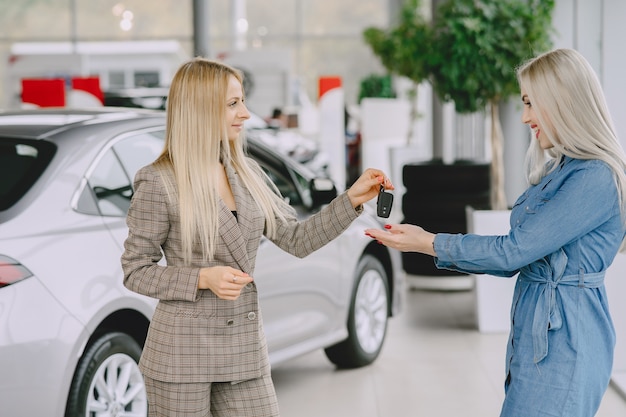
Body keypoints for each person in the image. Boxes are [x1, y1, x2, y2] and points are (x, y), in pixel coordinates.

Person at [121, 57, 393, 417]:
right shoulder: (159, 180)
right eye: (233, 104)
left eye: (243, 101)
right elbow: (135, 270)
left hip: (244, 353)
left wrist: (352, 199)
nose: (246, 114)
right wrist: (203, 278)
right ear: (201, 109)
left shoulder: (246, 172)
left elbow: (296, 239)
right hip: (182, 358)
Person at [365, 48, 626, 417]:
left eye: (532, 104)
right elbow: (512, 262)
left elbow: (513, 251)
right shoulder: (561, 170)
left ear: (563, 101)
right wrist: (427, 243)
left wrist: (427, 242)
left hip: (567, 343)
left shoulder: (594, 177)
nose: (525, 117)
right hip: (539, 336)